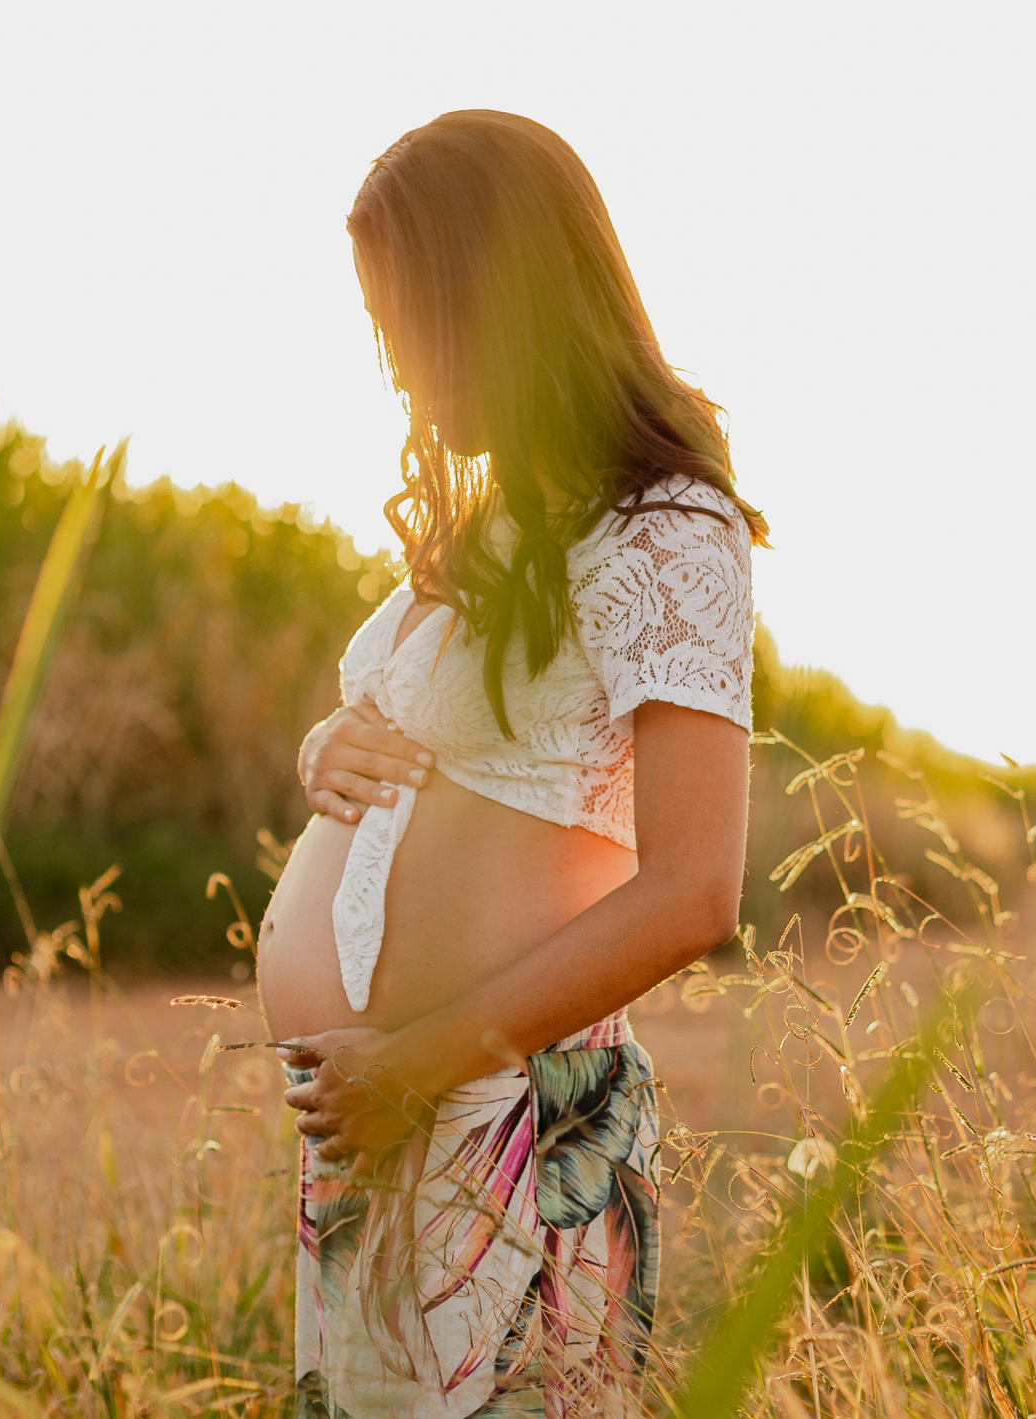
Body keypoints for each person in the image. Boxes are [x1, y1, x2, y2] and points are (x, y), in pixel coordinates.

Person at [257, 109, 764, 1419]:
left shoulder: (663, 525)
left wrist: (419, 1060)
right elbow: (441, 746)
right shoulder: (497, 522)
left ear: (512, 298)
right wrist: (332, 749)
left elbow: (694, 891)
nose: (405, 374)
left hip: (502, 1117)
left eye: (418, 321)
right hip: (380, 1122)